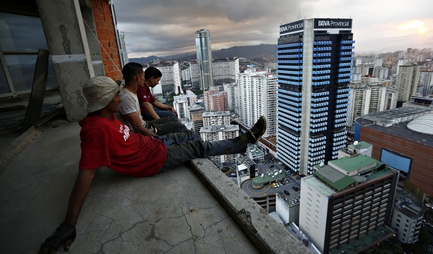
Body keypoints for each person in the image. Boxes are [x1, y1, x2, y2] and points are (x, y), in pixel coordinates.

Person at [38, 76, 267, 253]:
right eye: (116, 95)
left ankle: (218, 154)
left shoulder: (105, 117)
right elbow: (86, 174)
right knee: (198, 148)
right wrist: (69, 223)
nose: (120, 97)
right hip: (154, 160)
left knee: (185, 135)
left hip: (153, 143)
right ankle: (243, 142)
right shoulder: (94, 130)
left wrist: (152, 138)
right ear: (105, 101)